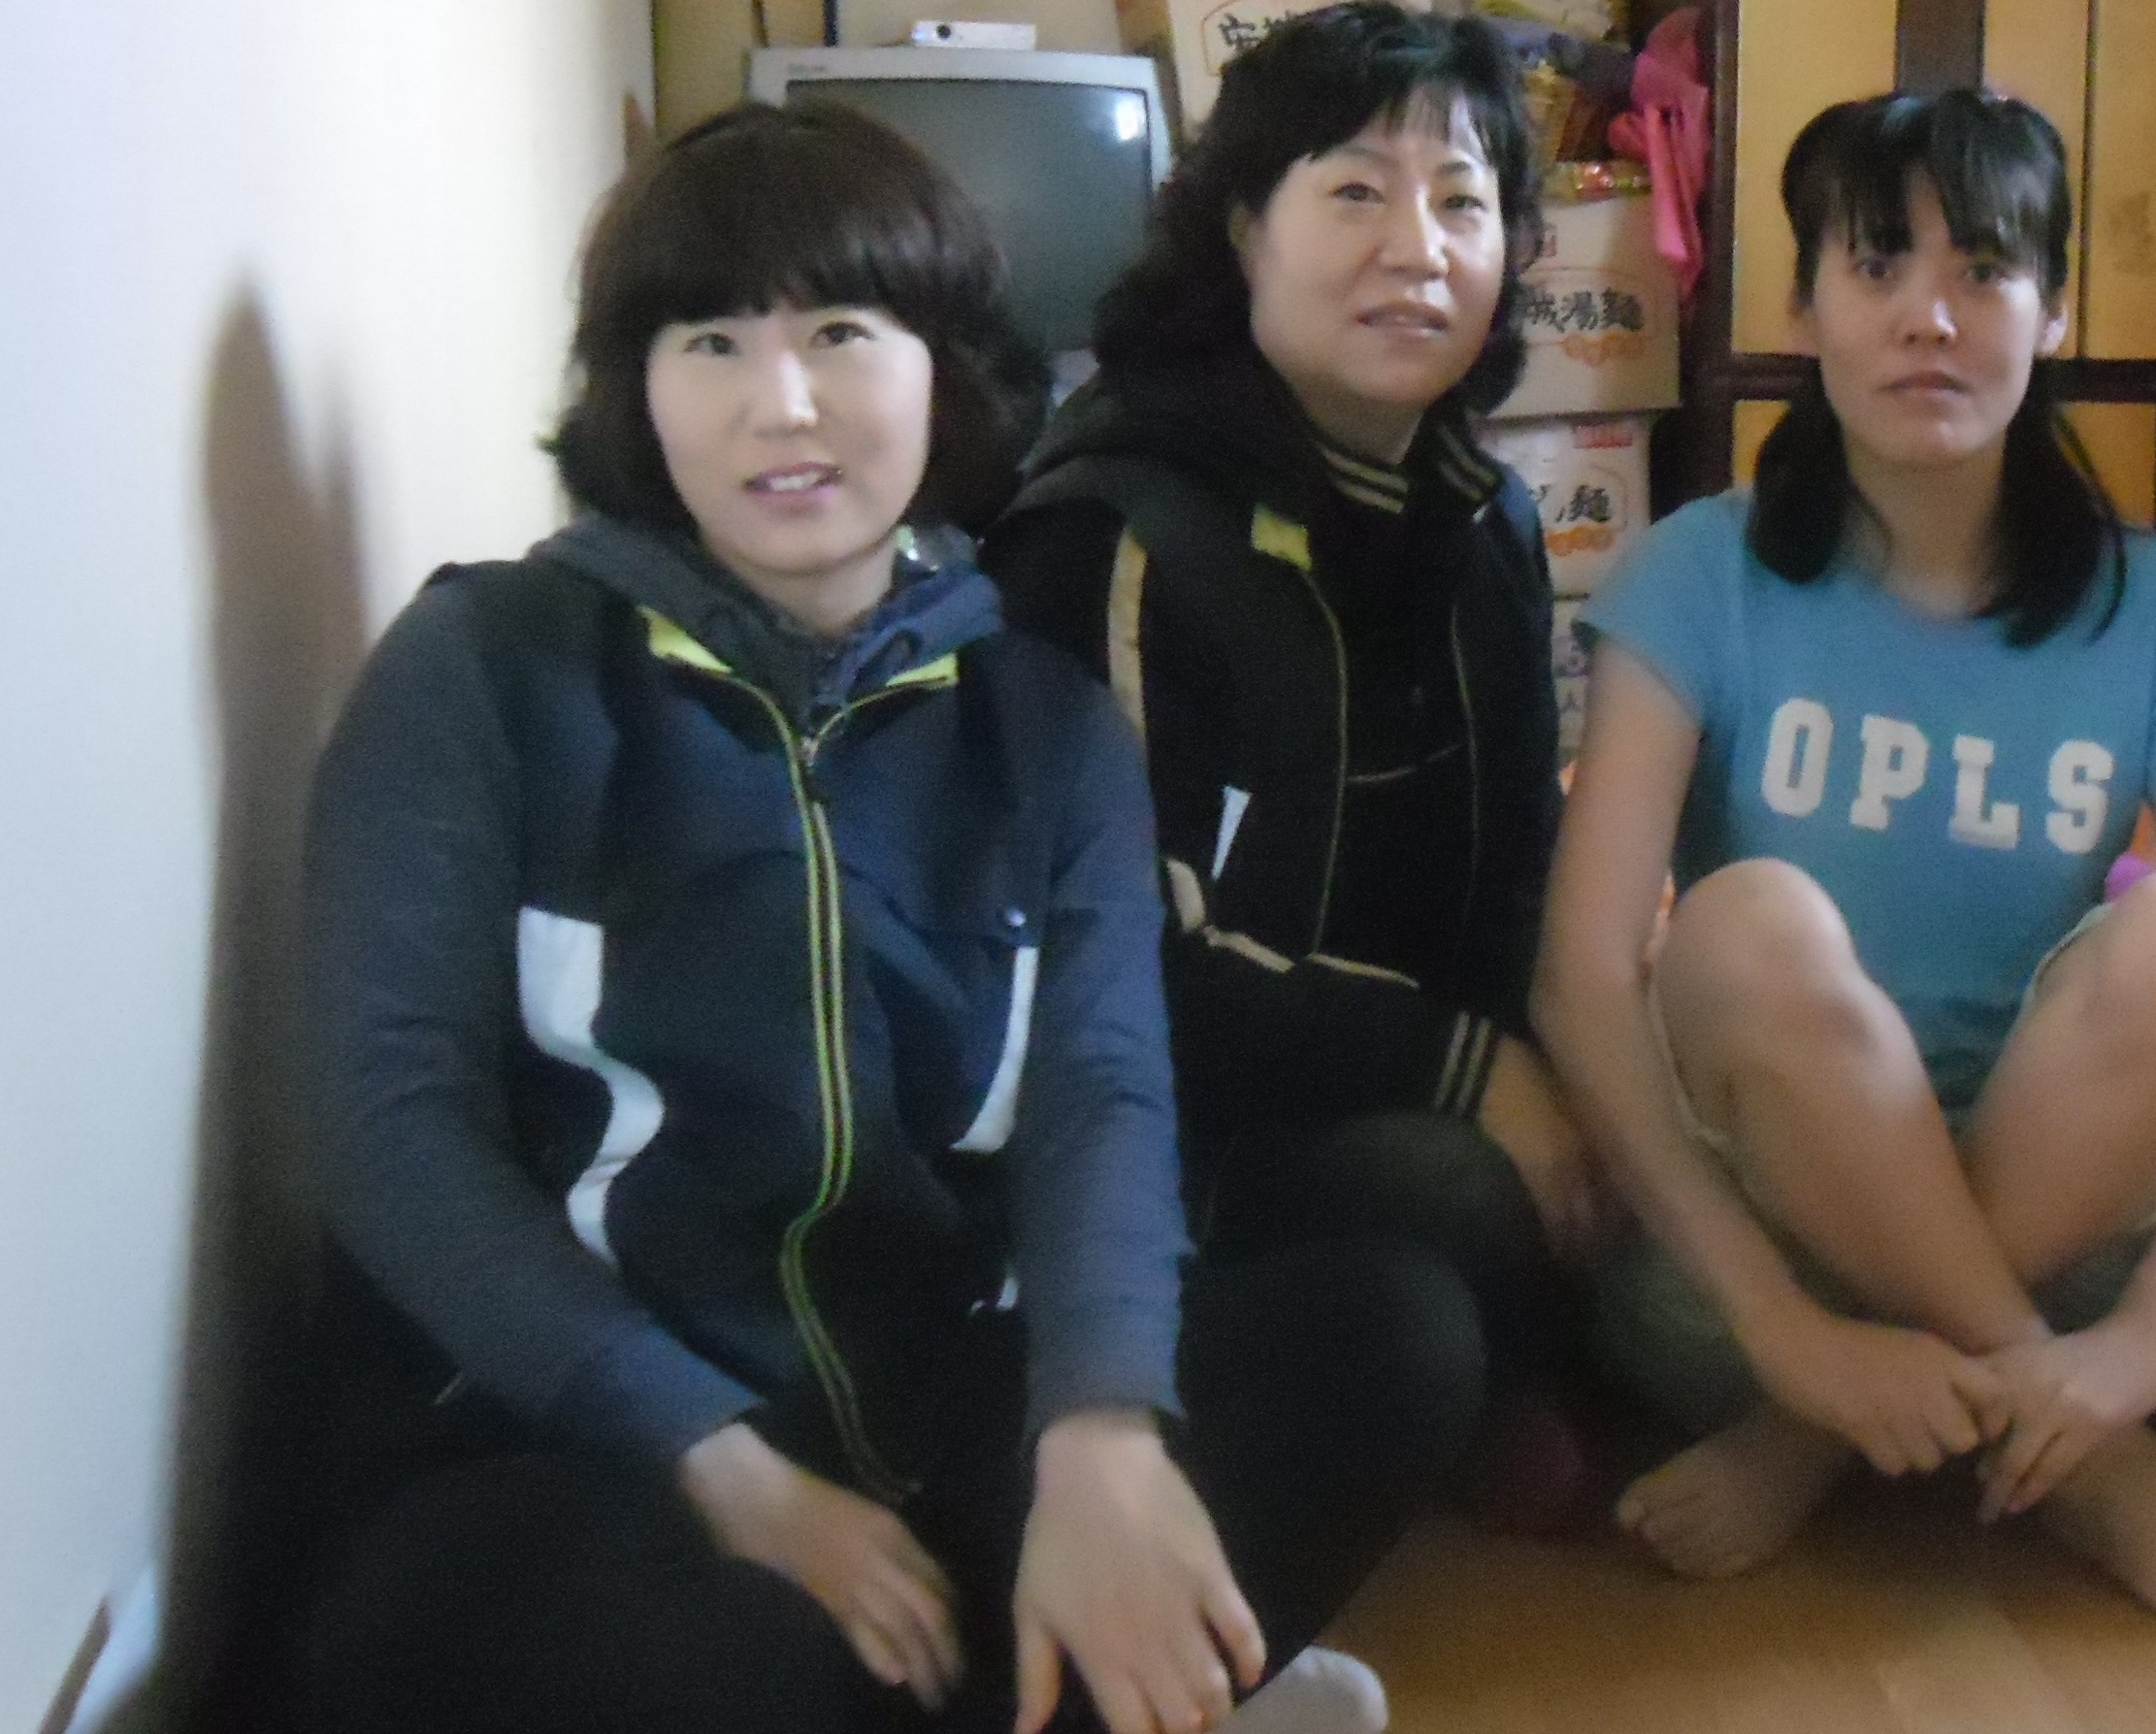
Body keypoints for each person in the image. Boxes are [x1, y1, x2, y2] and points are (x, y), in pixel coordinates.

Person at [290, 102, 1457, 1734]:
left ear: (942, 371)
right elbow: (387, 1123)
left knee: (1393, 1334)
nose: (783, 404)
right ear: (638, 389)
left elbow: (1101, 1100)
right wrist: (717, 1460)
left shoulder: (1043, 727)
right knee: (723, 1665)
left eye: (841, 331)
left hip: (923, 1408)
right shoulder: (483, 669)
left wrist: (1100, 1434)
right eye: (711, 342)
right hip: (567, 1446)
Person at [1539, 88, 2156, 1649]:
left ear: (2055, 313)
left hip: (2067, 1249)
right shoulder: (1698, 571)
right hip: (1741, 1268)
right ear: (1804, 307)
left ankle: (1825, 1445)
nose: (1931, 316)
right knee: (1749, 923)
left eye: (1986, 270)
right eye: (1878, 265)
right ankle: (2099, 1481)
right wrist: (1783, 1336)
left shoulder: (2151, 602)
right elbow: (1583, 983)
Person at [985, 0, 1601, 1526]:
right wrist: (1467, 1072)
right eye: (1356, 193)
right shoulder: (1116, 530)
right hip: (1171, 1135)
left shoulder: (1483, 517)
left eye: (1462, 202)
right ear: (1241, 231)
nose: (1419, 249)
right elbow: (1108, 971)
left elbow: (1523, 864)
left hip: (1413, 1074)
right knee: (1461, 1203)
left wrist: (1580, 1069)